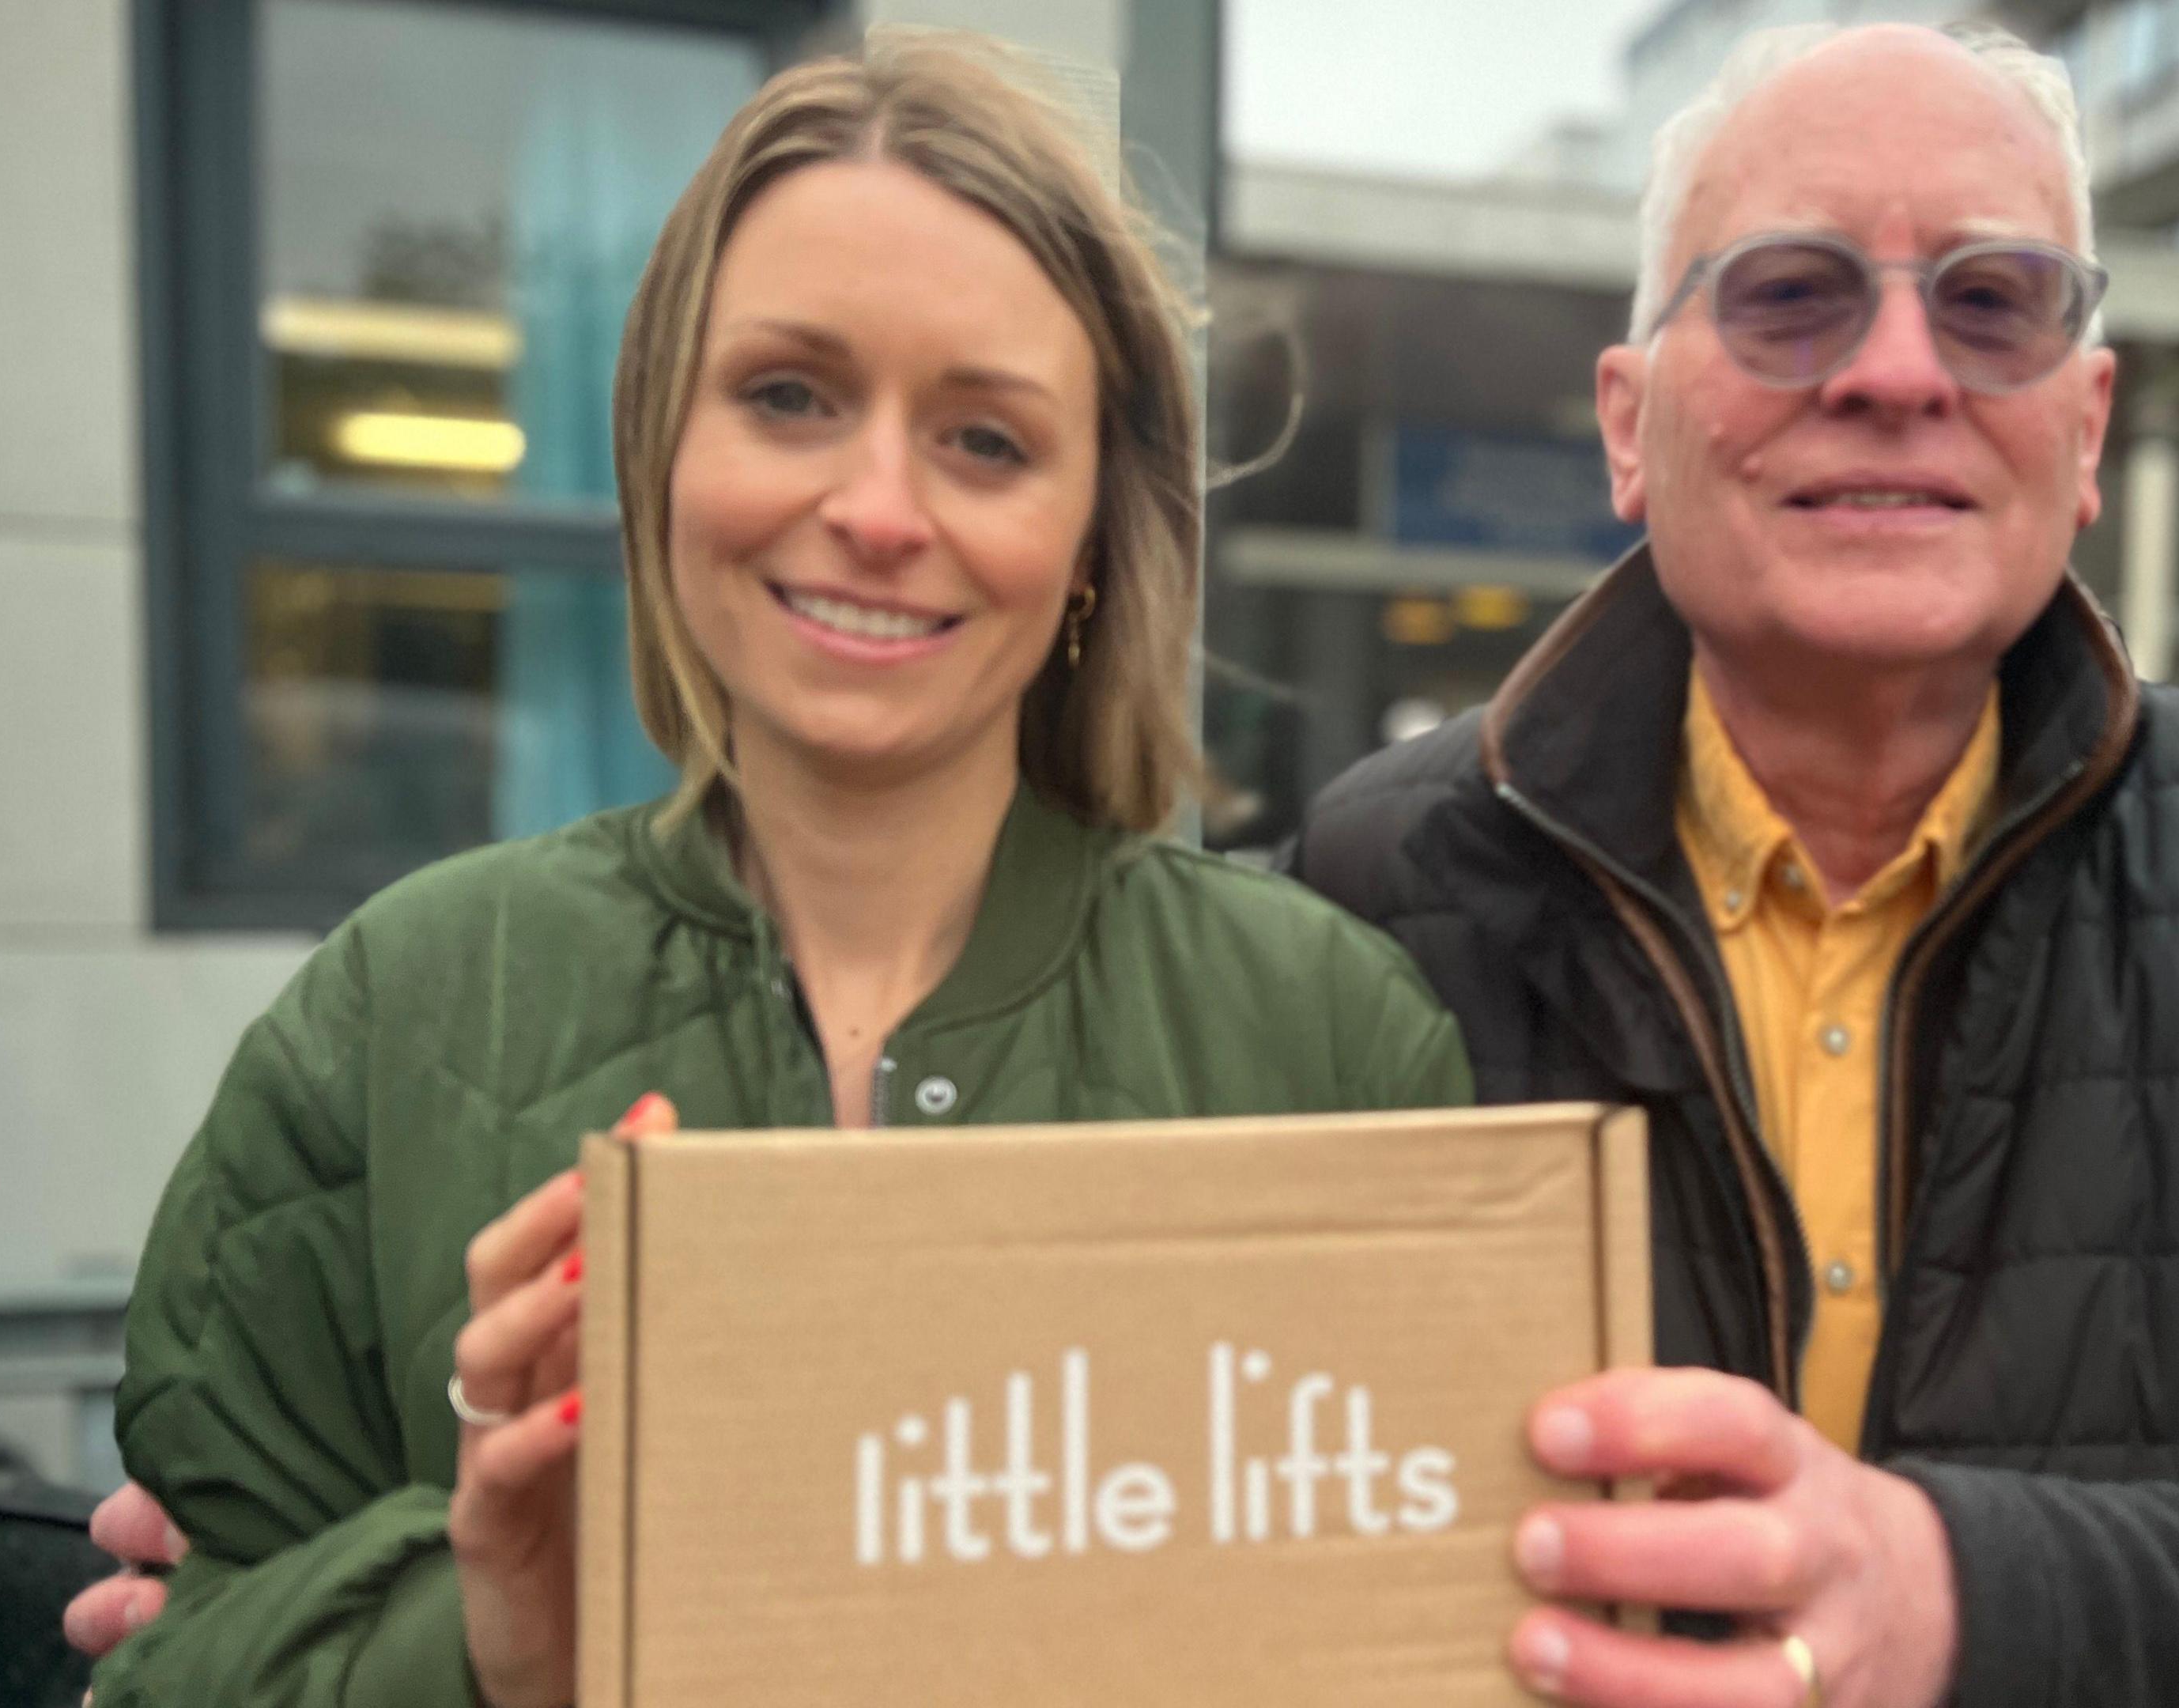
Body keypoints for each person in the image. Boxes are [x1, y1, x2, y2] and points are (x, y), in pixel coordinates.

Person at [1290, 22, 2179, 1708]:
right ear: (1628, 420)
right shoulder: (1378, 881)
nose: (1897, 371)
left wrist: (1961, 1601)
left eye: (1992, 302)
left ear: (2086, 430)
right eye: (1790, 293)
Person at [70, 32, 1467, 1708]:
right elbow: (177, 1657)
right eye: (789, 396)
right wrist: (503, 1640)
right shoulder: (402, 1015)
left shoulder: (1329, 1042)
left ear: (1096, 534)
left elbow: (1447, 1636)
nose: (877, 509)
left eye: (987, 440)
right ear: (664, 442)